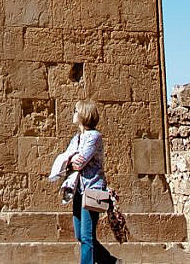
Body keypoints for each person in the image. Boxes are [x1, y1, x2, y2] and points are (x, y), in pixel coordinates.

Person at [53, 100, 116, 264]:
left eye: (76, 111)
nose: (73, 114)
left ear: (83, 115)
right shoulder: (77, 138)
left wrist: (70, 159)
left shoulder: (94, 137)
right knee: (80, 235)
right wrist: (69, 159)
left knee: (87, 236)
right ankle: (109, 261)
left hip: (92, 189)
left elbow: (77, 162)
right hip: (77, 190)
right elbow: (66, 158)